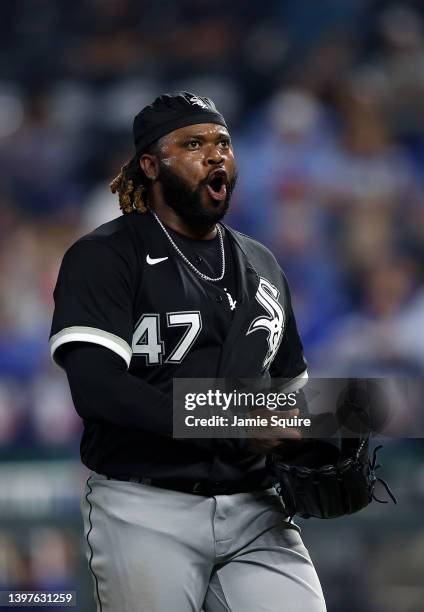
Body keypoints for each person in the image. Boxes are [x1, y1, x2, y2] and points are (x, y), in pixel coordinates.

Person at [49, 92, 326, 612]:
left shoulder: (261, 263)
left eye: (223, 142)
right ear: (151, 165)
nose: (215, 154)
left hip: (256, 508)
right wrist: (233, 420)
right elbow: (98, 388)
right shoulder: (104, 256)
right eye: (193, 143)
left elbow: (289, 393)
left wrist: (315, 440)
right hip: (146, 506)